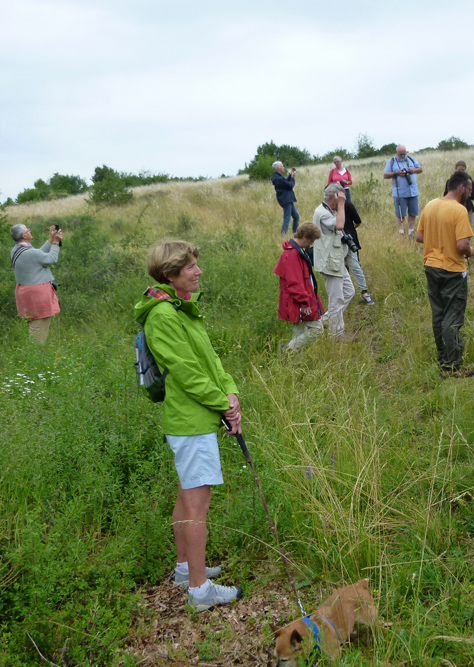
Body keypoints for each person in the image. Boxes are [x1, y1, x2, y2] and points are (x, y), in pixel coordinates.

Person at [134, 240, 244, 611]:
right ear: (170, 274)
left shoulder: (180, 308)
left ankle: (185, 569)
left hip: (195, 417)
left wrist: (230, 392)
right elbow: (186, 373)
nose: (199, 271)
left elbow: (210, 360)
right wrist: (223, 405)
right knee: (198, 505)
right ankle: (200, 591)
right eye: (191, 267)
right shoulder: (163, 316)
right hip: (190, 422)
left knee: (186, 494)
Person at [415, 170, 474, 377]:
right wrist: (471, 251)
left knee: (439, 314)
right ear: (461, 187)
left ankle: (442, 358)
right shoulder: (459, 210)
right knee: (452, 316)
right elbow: (462, 245)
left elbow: (419, 236)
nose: (470, 193)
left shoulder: (431, 205)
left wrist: (438, 240)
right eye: (469, 189)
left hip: (431, 266)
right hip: (452, 269)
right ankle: (453, 366)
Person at [274, 222, 324, 351]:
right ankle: (287, 350)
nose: (311, 244)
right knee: (317, 329)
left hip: (298, 300)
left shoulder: (296, 251)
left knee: (299, 332)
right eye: (311, 240)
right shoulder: (293, 254)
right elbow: (294, 282)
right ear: (305, 237)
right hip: (299, 301)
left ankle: (293, 360)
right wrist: (305, 302)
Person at [313, 183, 354, 338]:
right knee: (336, 301)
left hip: (336, 262)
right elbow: (339, 225)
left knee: (349, 292)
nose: (341, 203)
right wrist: (341, 204)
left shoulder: (330, 210)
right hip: (330, 264)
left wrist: (340, 204)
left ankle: (324, 322)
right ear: (332, 198)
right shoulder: (322, 212)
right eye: (339, 199)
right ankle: (335, 336)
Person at [10, 223, 62, 344]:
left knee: (35, 326)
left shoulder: (16, 249)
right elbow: (50, 259)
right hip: (37, 294)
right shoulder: (29, 252)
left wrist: (51, 239)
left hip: (26, 292)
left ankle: (34, 351)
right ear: (24, 236)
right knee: (38, 329)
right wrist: (56, 243)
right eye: (27, 230)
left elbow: (38, 254)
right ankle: (35, 353)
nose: (30, 230)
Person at [383, 145, 423, 236]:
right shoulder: (392, 162)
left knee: (413, 213)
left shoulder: (411, 159)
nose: (403, 156)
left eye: (404, 154)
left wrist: (413, 170)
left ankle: (411, 232)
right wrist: (397, 173)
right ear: (396, 153)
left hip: (413, 192)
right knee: (400, 215)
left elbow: (420, 169)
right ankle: (401, 232)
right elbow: (385, 175)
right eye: (400, 154)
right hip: (400, 193)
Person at [343, 198, 374, 305]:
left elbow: (358, 221)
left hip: (349, 240)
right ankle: (345, 292)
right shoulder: (328, 208)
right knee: (342, 267)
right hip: (336, 241)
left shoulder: (347, 204)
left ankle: (364, 292)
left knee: (355, 265)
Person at [443, 160, 474, 227]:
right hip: (453, 209)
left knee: (470, 228)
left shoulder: (470, 182)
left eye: (463, 170)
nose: (461, 172)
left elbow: (473, 196)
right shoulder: (450, 182)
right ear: (455, 169)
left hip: (467, 208)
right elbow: (446, 195)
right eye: (459, 170)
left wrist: (466, 193)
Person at [271, 161, 300, 235]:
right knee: (287, 219)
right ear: (278, 168)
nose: (283, 167)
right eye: (282, 166)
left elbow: (285, 182)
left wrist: (290, 175)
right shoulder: (278, 178)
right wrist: (292, 178)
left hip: (288, 199)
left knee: (296, 217)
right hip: (286, 199)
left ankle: (295, 234)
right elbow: (290, 185)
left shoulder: (278, 176)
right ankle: (283, 235)